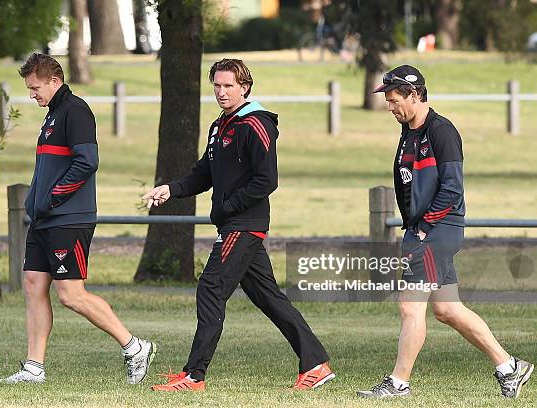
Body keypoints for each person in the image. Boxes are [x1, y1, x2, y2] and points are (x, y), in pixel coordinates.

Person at [143, 59, 334, 391]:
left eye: (228, 85)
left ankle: (194, 376)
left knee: (211, 288)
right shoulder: (220, 126)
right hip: (233, 224)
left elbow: (266, 180)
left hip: (243, 224)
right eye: (216, 85)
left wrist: (228, 207)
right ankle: (316, 364)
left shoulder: (254, 124)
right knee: (269, 297)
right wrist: (171, 189)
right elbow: (205, 172)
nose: (221, 91)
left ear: (245, 86)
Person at [357, 65, 533, 399]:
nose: (390, 107)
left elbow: (452, 189)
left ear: (416, 94)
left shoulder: (442, 131)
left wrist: (423, 229)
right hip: (425, 231)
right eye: (388, 101)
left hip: (438, 229)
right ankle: (510, 366)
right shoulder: (408, 130)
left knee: (410, 307)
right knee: (447, 310)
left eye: (395, 100)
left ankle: (398, 383)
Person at [0, 53, 156, 385]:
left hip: (68, 219)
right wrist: (36, 204)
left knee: (70, 294)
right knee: (33, 285)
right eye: (29, 88)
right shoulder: (52, 115)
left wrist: (53, 198)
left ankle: (135, 346)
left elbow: (87, 162)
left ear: (55, 81)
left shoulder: (75, 111)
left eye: (35, 87)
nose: (32, 94)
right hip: (44, 220)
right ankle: (33, 368)